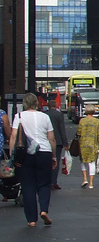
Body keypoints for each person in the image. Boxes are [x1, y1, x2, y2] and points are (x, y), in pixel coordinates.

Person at [10, 93, 57, 226]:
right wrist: (54, 156)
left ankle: (31, 219)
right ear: (37, 103)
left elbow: (14, 136)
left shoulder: (19, 117)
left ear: (24, 103)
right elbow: (51, 138)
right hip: (44, 152)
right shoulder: (45, 117)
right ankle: (44, 210)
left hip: (26, 154)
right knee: (44, 184)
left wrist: (13, 157)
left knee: (28, 186)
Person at [40, 96, 69, 190]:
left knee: (47, 162)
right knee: (55, 162)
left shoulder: (44, 115)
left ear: (48, 106)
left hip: (46, 140)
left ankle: (46, 181)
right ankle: (53, 182)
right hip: (58, 141)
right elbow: (62, 129)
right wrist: (65, 143)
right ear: (55, 106)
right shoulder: (59, 115)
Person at [76, 105, 99, 189]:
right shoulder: (97, 121)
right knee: (92, 163)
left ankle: (84, 179)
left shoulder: (82, 121)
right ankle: (91, 183)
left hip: (83, 144)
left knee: (83, 161)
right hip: (93, 144)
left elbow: (79, 132)